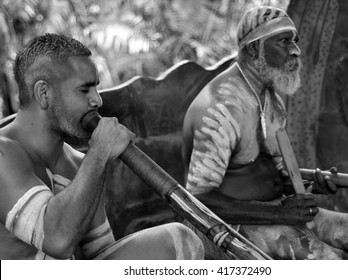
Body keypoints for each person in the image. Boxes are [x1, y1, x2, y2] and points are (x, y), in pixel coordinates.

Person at [182, 6, 348, 260]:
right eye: (284, 41)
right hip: (224, 228)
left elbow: (278, 176)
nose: (296, 50)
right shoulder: (219, 108)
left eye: (295, 40)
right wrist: (280, 214)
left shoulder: (272, 100)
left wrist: (313, 184)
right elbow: (198, 202)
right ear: (253, 49)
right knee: (331, 261)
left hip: (275, 213)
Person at [0, 33, 204, 260]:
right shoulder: (3, 153)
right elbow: (57, 241)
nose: (98, 100)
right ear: (44, 93)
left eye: (96, 88)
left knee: (179, 241)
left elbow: (101, 253)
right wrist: (99, 153)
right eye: (84, 90)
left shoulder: (79, 164)